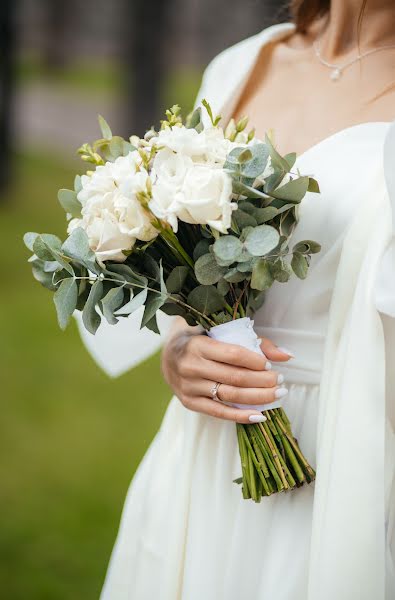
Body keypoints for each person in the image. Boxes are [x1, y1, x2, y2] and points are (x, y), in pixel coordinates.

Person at [76, 1, 395, 598]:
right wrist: (181, 352)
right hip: (208, 445)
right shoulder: (243, 64)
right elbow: (189, 259)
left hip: (360, 458)